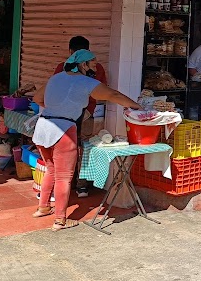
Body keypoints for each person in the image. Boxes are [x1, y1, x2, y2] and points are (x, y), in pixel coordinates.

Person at [31, 50, 141, 231]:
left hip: (43, 127)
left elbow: (37, 98)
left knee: (50, 169)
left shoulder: (56, 78)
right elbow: (113, 95)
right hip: (64, 129)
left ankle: (43, 207)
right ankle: (60, 220)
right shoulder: (85, 81)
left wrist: (57, 109)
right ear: (83, 65)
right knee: (64, 177)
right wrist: (137, 106)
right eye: (93, 64)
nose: (95, 68)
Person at [53, 35, 107, 198]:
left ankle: (62, 184)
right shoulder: (98, 68)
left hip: (65, 114)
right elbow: (103, 91)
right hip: (87, 112)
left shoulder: (63, 67)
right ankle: (82, 186)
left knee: (64, 148)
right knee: (84, 147)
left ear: (70, 51)